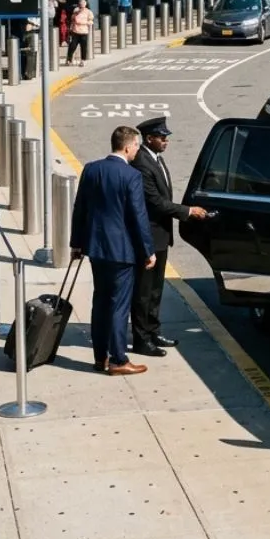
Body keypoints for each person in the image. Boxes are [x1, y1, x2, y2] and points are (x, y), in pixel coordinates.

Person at [69, 126, 156, 376]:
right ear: (127, 147)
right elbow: (138, 218)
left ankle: (100, 357)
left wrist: (77, 243)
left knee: (101, 302)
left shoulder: (92, 169)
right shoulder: (131, 176)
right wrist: (148, 251)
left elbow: (80, 208)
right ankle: (118, 359)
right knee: (118, 306)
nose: (138, 150)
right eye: (137, 146)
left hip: (96, 249)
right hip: (122, 252)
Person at [129, 117, 207, 356]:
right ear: (149, 138)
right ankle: (142, 340)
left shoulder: (156, 159)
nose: (166, 142)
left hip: (160, 236)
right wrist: (188, 211)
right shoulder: (142, 163)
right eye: (162, 138)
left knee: (155, 290)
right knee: (143, 292)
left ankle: (153, 331)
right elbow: (155, 203)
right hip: (149, 236)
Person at [66, 0, 94, 67]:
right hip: (75, 31)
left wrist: (84, 22)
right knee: (72, 46)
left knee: (83, 47)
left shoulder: (88, 12)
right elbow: (72, 18)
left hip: (84, 32)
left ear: (85, 5)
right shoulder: (76, 10)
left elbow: (91, 21)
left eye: (83, 5)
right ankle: (69, 59)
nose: (81, 7)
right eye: (80, 5)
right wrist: (76, 13)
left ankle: (83, 60)